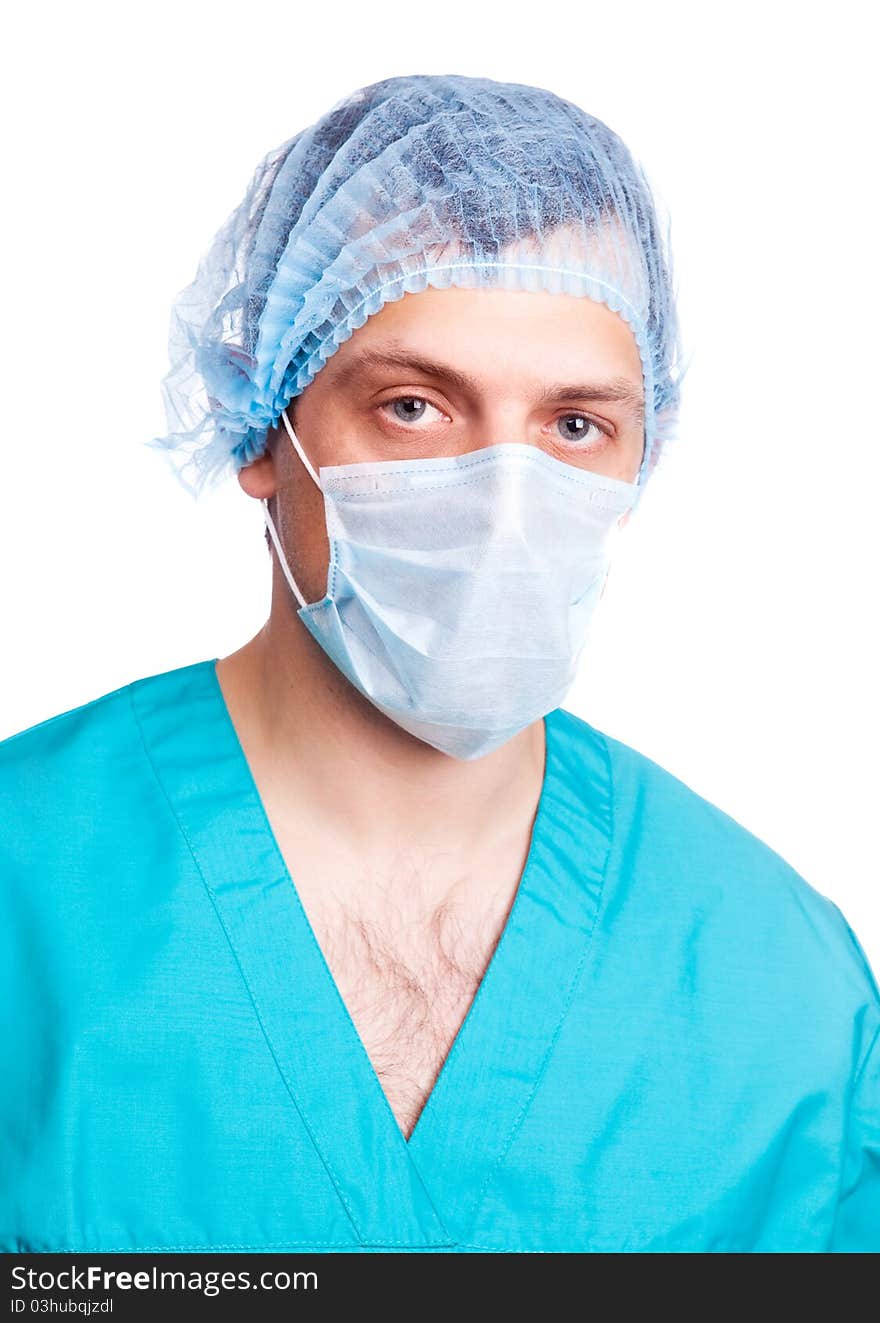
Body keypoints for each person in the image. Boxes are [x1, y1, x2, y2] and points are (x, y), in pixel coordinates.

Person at [1, 73, 877, 1256]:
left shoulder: (780, 989)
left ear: (637, 456)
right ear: (266, 426)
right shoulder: (32, 895)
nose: (504, 502)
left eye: (575, 427)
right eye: (415, 407)